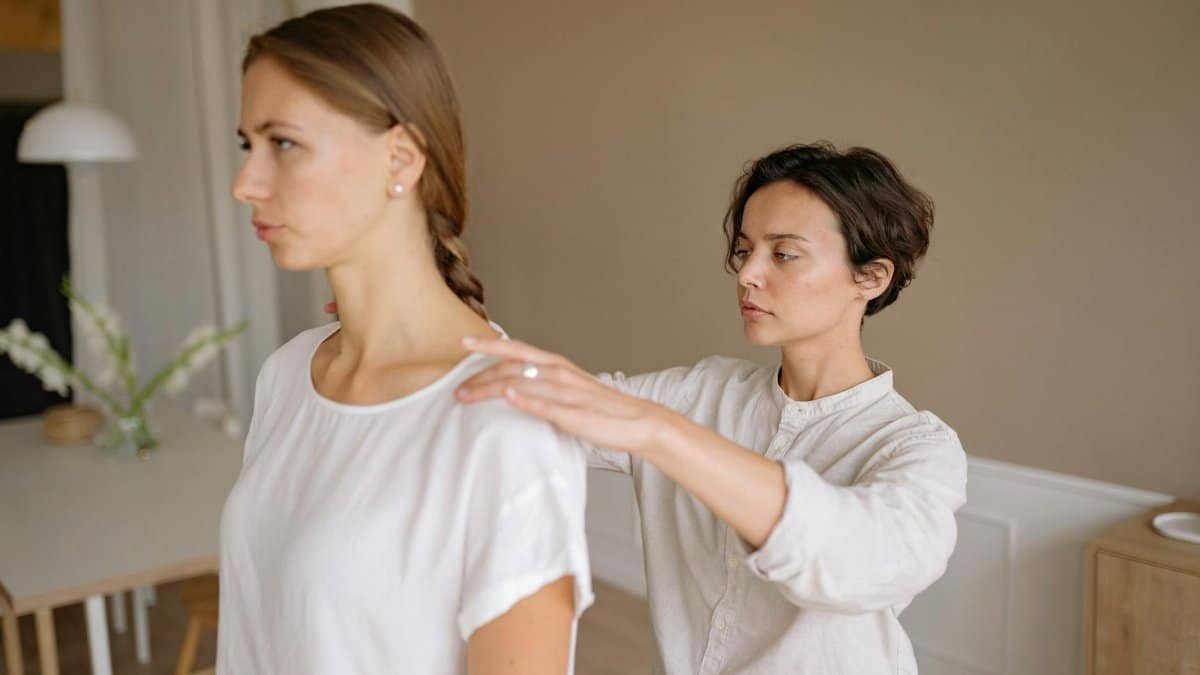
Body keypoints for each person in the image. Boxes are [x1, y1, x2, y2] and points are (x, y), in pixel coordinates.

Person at [454, 142, 968, 674]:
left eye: (784, 253)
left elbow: (860, 560)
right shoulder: (705, 391)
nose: (747, 274)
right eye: (745, 250)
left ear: (872, 277)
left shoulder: (918, 447)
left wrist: (664, 434)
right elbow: (541, 410)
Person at [217, 5, 592, 674]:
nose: (245, 183)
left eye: (283, 143)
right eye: (248, 144)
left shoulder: (505, 427)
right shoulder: (288, 373)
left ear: (400, 156)